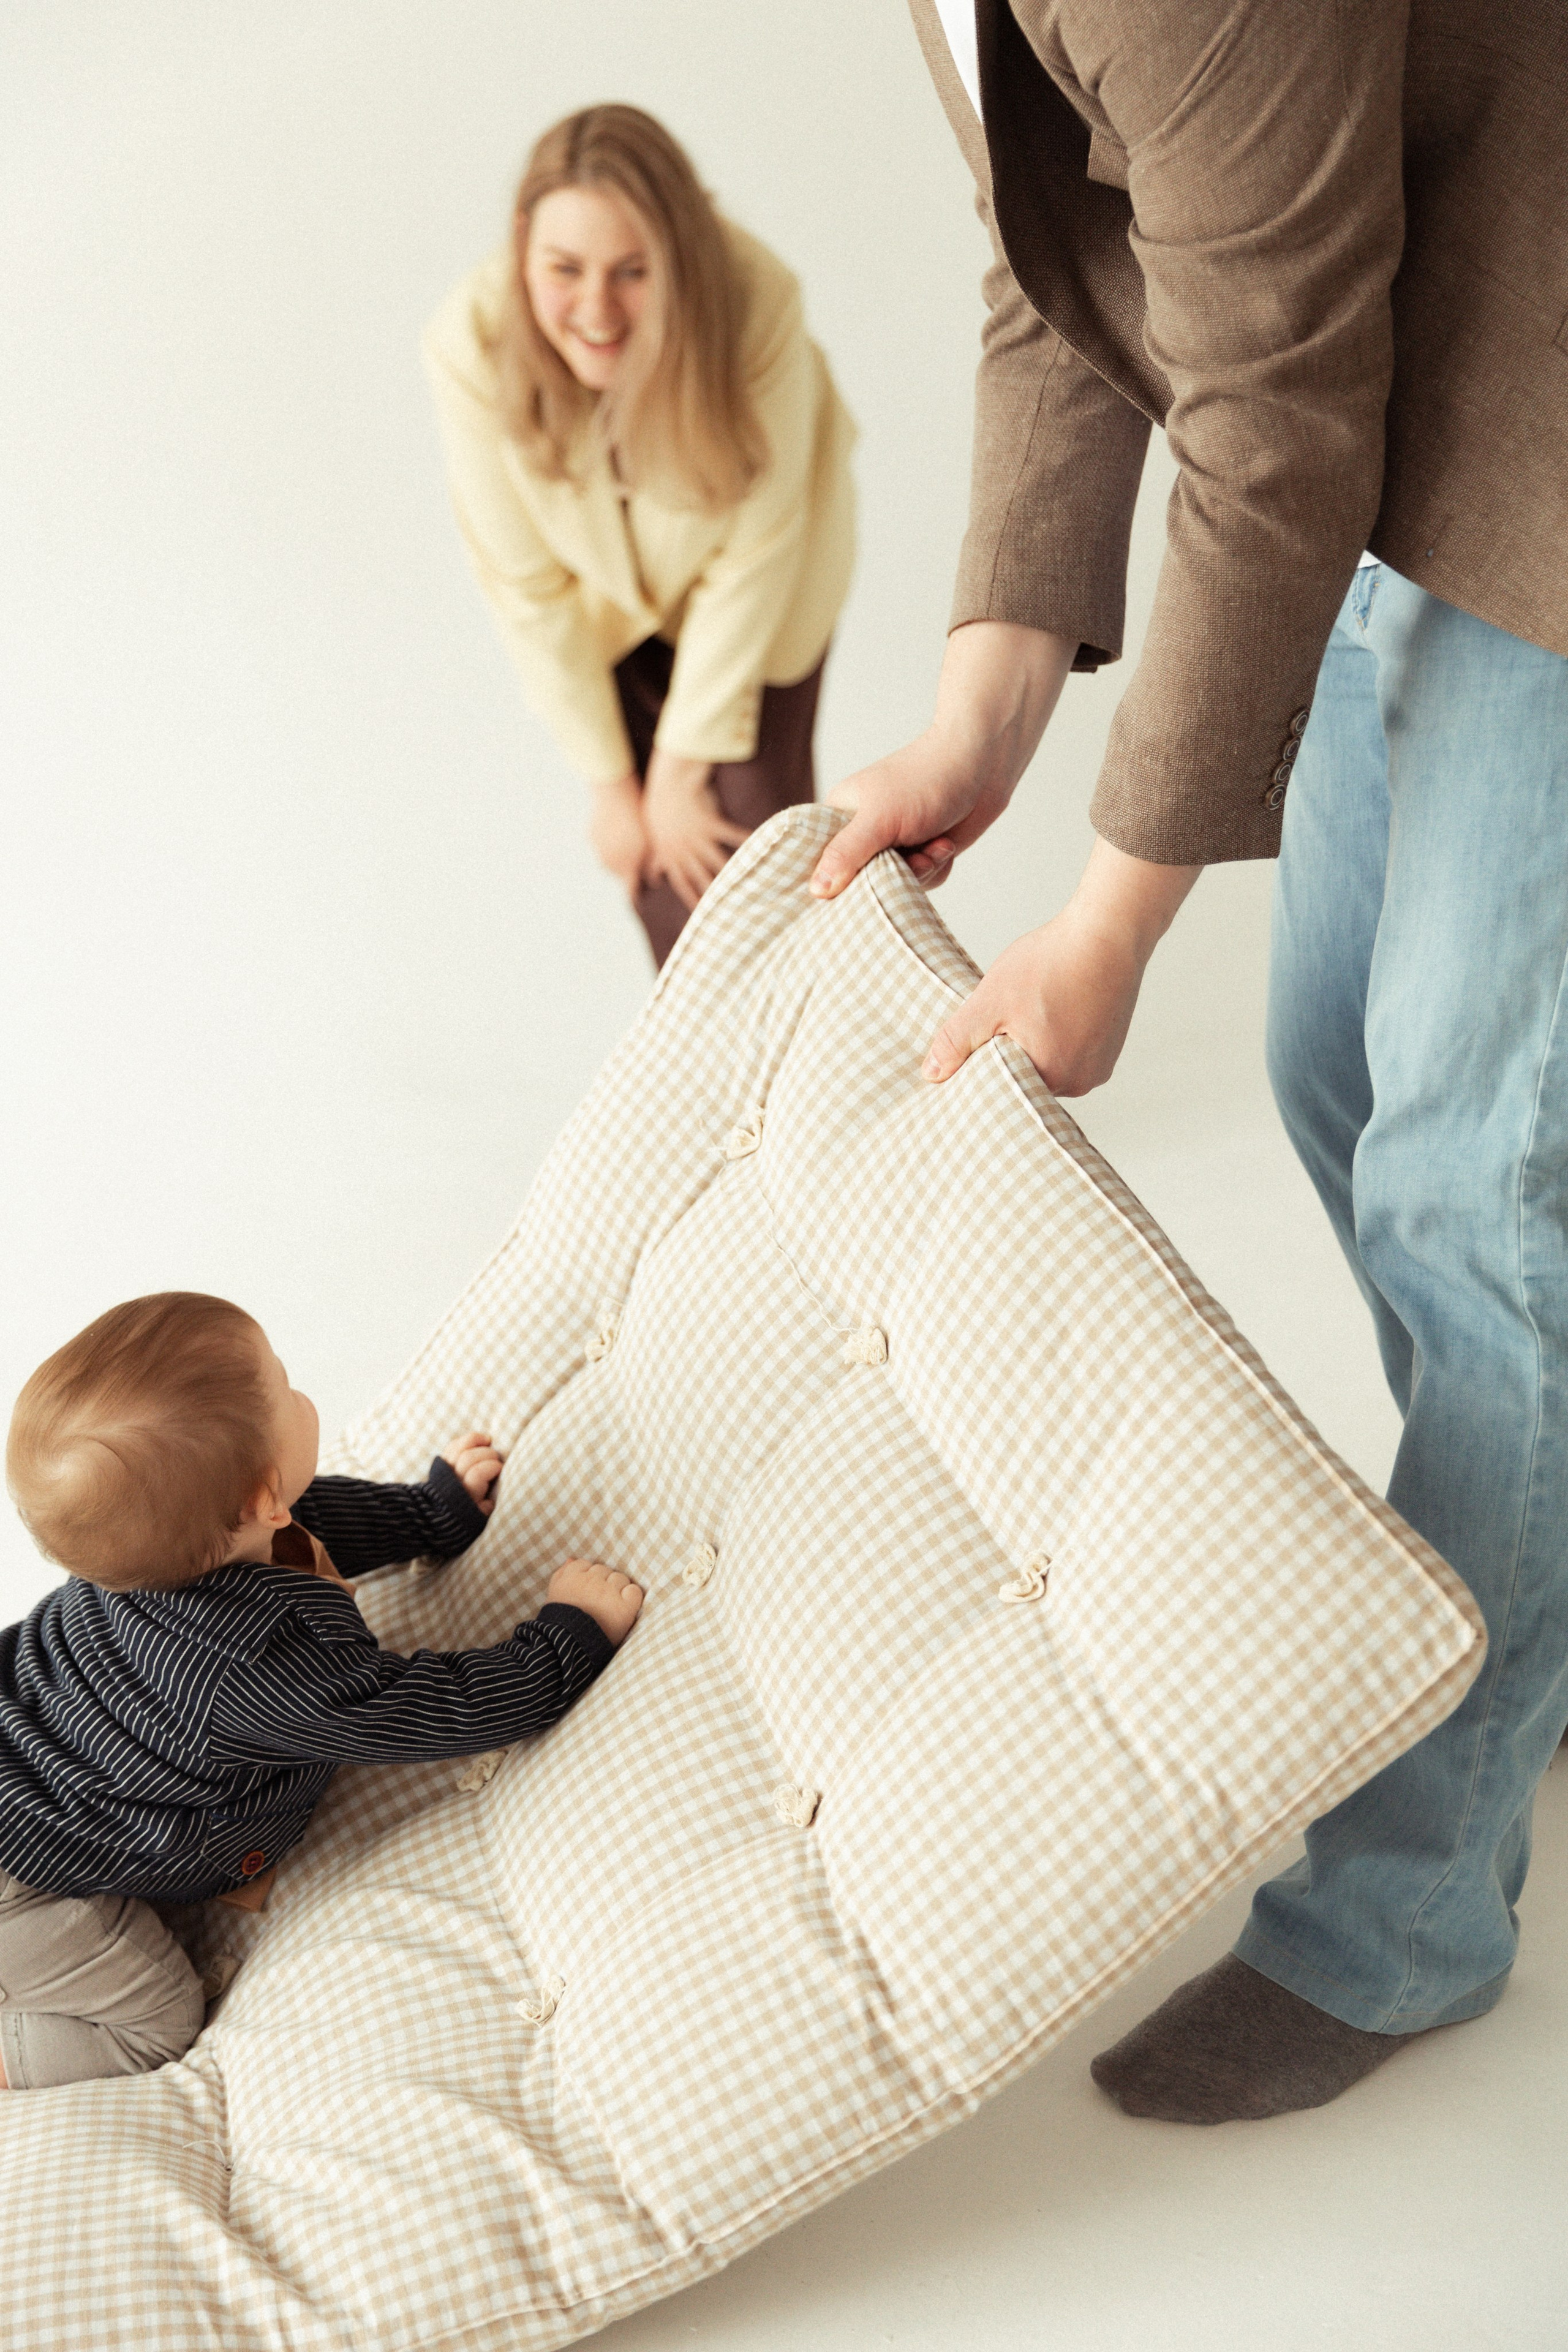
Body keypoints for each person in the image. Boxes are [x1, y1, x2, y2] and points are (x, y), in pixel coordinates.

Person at [810, 0, 1568, 2122]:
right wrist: (983, 711)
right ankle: (1547, 1602)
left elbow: (1272, 415)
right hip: (1420, 363)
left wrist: (1110, 921)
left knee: (1480, 1204)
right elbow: (1066, 252)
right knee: (1337, 1083)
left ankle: (1402, 1928)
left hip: (1523, 406)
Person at [0, 1291, 643, 2090]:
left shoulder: (163, 1538)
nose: (303, 1396)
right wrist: (563, 1640)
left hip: (21, 1751)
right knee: (158, 2020)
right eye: (285, 1386)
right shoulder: (255, 1671)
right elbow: (425, 1710)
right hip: (23, 1881)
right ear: (261, 1493)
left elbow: (312, 1524)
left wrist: (433, 1514)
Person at [424, 103, 856, 967]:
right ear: (520, 246)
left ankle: (812, 1080)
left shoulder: (758, 304)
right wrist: (615, 789)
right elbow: (527, 590)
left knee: (749, 847)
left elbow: (757, 551)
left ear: (680, 252)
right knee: (661, 872)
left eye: (632, 271)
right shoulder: (465, 345)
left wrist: (678, 769)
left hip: (760, 601)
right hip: (604, 613)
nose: (595, 308)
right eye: (564, 268)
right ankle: (727, 1093)